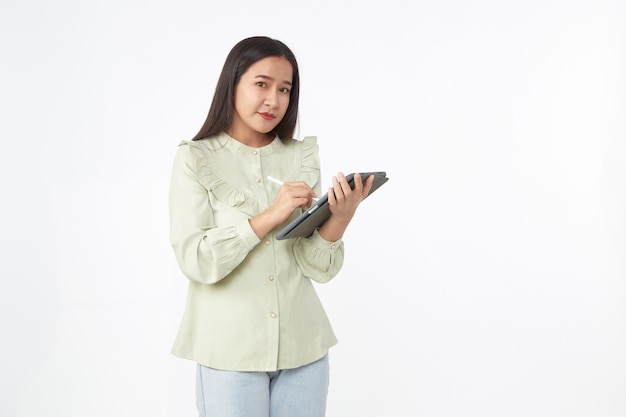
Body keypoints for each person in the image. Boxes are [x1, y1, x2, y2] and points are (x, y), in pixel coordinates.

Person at [168, 35, 374, 417]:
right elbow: (195, 260)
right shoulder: (195, 159)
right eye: (261, 84)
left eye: (285, 89)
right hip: (229, 352)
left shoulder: (301, 157)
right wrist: (269, 217)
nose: (274, 100)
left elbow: (313, 266)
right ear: (233, 83)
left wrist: (340, 217)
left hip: (304, 349)